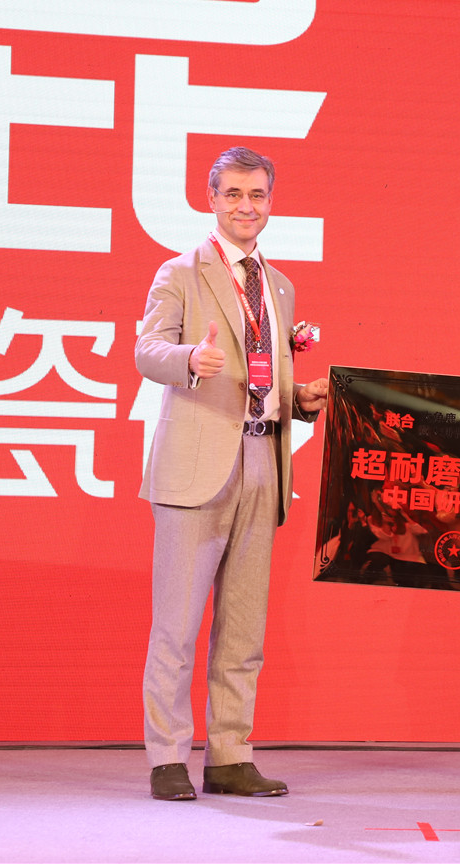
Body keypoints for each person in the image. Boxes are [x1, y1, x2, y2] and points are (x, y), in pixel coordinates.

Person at [136, 146, 327, 801]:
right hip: (196, 468)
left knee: (243, 629)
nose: (247, 207)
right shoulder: (180, 272)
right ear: (212, 199)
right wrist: (190, 357)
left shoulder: (279, 286)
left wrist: (300, 399)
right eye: (234, 194)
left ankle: (229, 754)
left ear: (270, 202)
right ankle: (167, 757)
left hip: (263, 461)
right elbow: (147, 349)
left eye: (258, 195)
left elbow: (267, 376)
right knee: (176, 626)